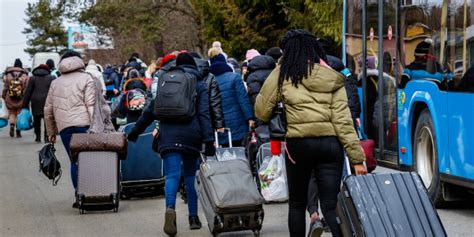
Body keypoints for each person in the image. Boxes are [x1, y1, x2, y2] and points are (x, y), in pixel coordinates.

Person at [255, 29, 367, 237]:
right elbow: (343, 121)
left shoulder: (283, 74)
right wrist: (357, 159)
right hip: (330, 146)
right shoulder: (332, 77)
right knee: (331, 205)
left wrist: (278, 69)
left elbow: (261, 110)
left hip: (299, 146)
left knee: (297, 204)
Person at [127, 52, 214, 236]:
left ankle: (170, 209)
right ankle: (193, 218)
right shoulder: (198, 83)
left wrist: (135, 131)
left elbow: (151, 110)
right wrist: (209, 140)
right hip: (192, 135)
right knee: (190, 176)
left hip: (168, 135)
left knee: (172, 175)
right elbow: (204, 113)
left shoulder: (167, 81)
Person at [44, 50, 97, 208]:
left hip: (65, 128)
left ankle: (78, 195)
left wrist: (51, 134)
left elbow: (48, 111)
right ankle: (92, 193)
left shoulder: (55, 82)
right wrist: (95, 127)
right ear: (79, 61)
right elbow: (91, 105)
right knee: (88, 160)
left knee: (75, 161)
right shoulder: (86, 78)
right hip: (84, 125)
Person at [209, 53, 255, 146]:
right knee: (241, 154)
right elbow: (243, 100)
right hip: (238, 122)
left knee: (226, 154)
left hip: (220, 126)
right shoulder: (235, 77)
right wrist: (250, 118)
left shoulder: (209, 80)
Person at [22, 64, 55, 143]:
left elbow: (28, 92)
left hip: (35, 101)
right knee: (47, 120)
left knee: (36, 120)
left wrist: (25, 105)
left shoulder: (33, 78)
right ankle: (47, 137)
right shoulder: (51, 78)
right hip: (47, 101)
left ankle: (38, 137)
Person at [2, 59, 29, 138]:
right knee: (19, 113)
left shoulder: (8, 74)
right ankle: (18, 131)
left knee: (12, 112)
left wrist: (3, 96)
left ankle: (12, 125)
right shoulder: (25, 74)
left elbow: (6, 87)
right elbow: (27, 87)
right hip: (21, 97)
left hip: (10, 97)